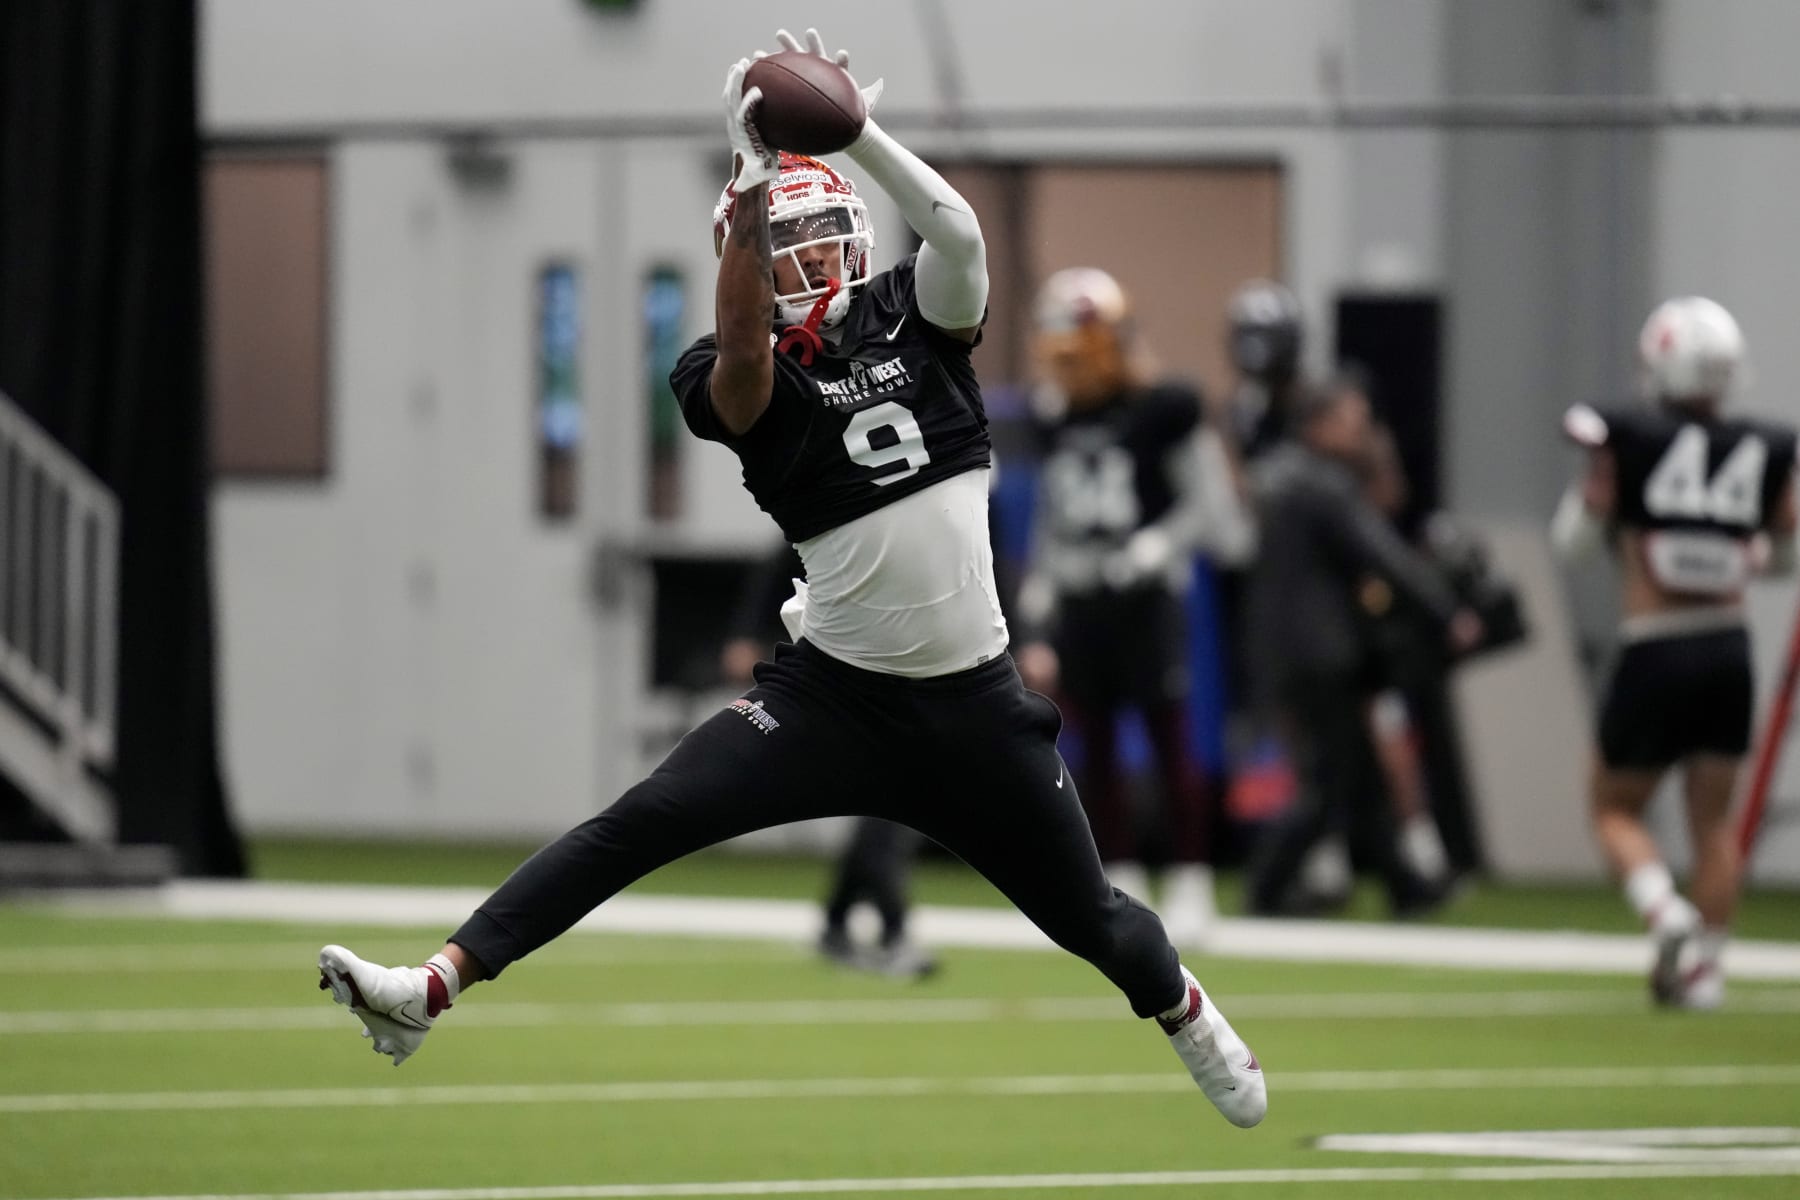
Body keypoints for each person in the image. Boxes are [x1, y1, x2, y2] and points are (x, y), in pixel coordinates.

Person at [314, 28, 1264, 1129]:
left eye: (823, 237)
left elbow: (956, 230)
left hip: (974, 707)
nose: (808, 262)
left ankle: (1185, 1011)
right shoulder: (730, 366)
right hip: (831, 702)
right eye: (783, 246)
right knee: (641, 820)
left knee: (1094, 920)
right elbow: (746, 359)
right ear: (749, 262)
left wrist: (859, 133)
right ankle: (430, 988)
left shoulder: (920, 316)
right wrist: (752, 188)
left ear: (857, 237)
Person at [1551, 295, 1796, 1010]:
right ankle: (1707, 971)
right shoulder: (1766, 446)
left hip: (1654, 646)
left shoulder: (1625, 435)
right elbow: (1783, 557)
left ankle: (1664, 911)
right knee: (1713, 821)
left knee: (1611, 805)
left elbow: (1573, 543)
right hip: (1729, 648)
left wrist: (1599, 491)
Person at [1013, 267, 1254, 944]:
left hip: (1148, 600)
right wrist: (1042, 589)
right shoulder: (1053, 414)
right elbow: (1054, 516)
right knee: (1095, 752)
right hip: (1084, 598)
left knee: (1169, 738)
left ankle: (1191, 881)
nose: (1066, 361)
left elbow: (1213, 511)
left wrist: (1157, 546)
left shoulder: (1163, 406)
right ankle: (1118, 879)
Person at [1242, 375, 1482, 917]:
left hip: (1285, 649)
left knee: (1358, 775)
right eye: (1352, 419)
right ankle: (1267, 886)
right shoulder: (1325, 484)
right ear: (1319, 425)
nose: (1363, 430)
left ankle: (1405, 883)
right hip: (1327, 651)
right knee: (1329, 783)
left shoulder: (1278, 479)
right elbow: (1383, 555)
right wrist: (1446, 610)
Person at [719, 543, 937, 979]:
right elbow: (787, 555)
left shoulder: (944, 513)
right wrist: (745, 632)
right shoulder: (855, 509)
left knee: (892, 806)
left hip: (913, 673)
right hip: (856, 676)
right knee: (892, 808)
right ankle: (890, 930)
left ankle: (839, 921)